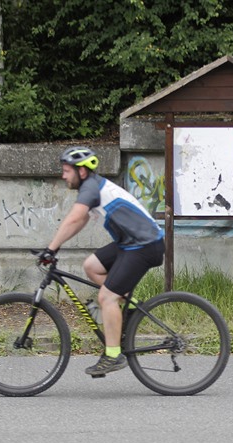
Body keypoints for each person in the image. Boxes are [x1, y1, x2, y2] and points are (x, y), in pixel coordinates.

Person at [38, 146, 164, 376]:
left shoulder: (91, 187)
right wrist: (54, 247)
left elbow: (75, 217)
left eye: (67, 170)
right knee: (92, 266)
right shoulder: (93, 187)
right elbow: (80, 220)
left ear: (82, 171)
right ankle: (131, 307)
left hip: (145, 246)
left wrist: (50, 248)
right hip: (131, 243)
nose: (63, 175)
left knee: (106, 296)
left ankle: (114, 355)